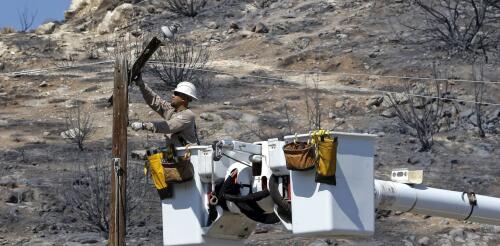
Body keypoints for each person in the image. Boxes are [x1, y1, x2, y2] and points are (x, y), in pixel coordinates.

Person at [130, 75, 199, 147]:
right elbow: (156, 101)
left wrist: (144, 125)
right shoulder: (171, 110)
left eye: (176, 94)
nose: (172, 95)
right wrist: (142, 85)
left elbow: (168, 126)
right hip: (175, 155)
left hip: (188, 156)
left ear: (184, 98)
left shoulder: (188, 115)